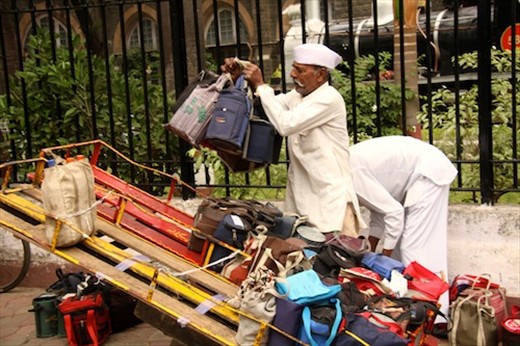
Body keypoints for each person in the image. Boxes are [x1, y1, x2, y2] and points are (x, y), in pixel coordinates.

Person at [221, 43, 366, 236]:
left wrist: (262, 85)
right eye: (293, 68)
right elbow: (267, 107)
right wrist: (239, 78)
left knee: (336, 263)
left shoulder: (329, 99)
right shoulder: (297, 96)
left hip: (331, 206)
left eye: (300, 70)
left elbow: (285, 124)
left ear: (321, 74)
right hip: (302, 202)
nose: (292, 74)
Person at [349, 135, 458, 318]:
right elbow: (379, 212)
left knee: (414, 249)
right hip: (418, 171)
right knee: (400, 252)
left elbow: (393, 213)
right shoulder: (345, 170)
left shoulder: (349, 177)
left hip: (427, 172)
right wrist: (369, 253)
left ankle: (434, 317)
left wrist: (383, 259)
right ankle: (412, 314)